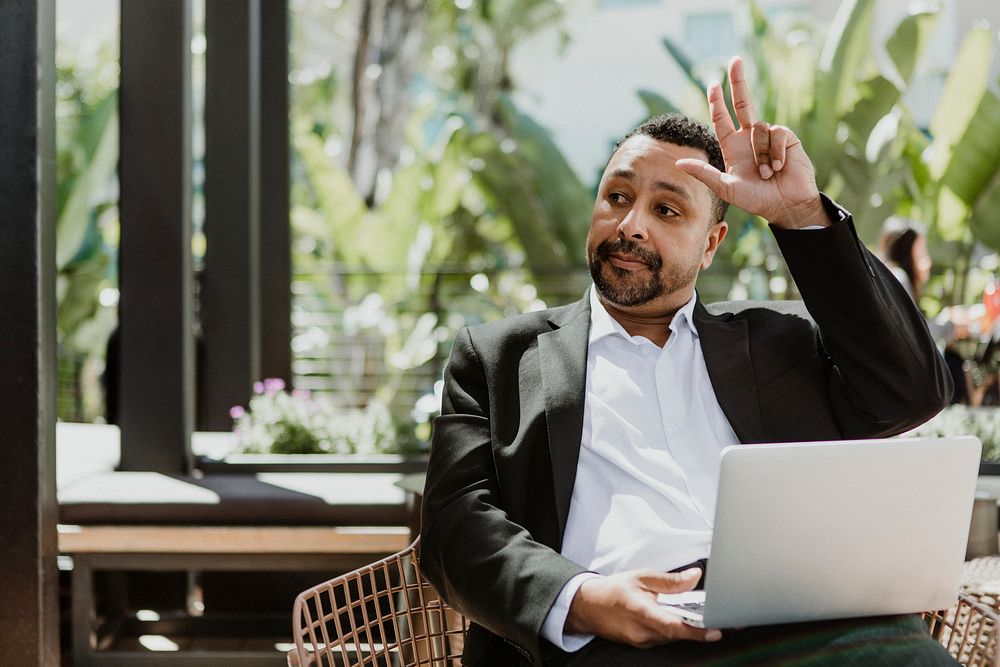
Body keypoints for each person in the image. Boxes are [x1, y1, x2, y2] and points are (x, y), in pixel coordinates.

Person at [420, 56, 954, 666]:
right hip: (611, 636)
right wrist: (582, 597)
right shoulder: (497, 358)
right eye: (616, 197)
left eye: (666, 210)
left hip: (796, 619)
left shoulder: (779, 342)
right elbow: (453, 527)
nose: (630, 225)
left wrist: (800, 214)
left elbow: (911, 393)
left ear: (711, 245)